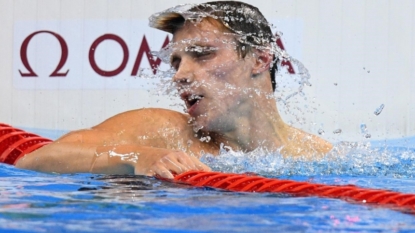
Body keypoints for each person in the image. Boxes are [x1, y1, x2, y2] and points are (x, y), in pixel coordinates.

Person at [15, 1, 332, 178]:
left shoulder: (317, 155)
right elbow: (38, 161)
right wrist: (140, 156)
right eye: (176, 62)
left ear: (260, 59)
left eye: (203, 53)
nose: (180, 75)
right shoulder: (166, 131)